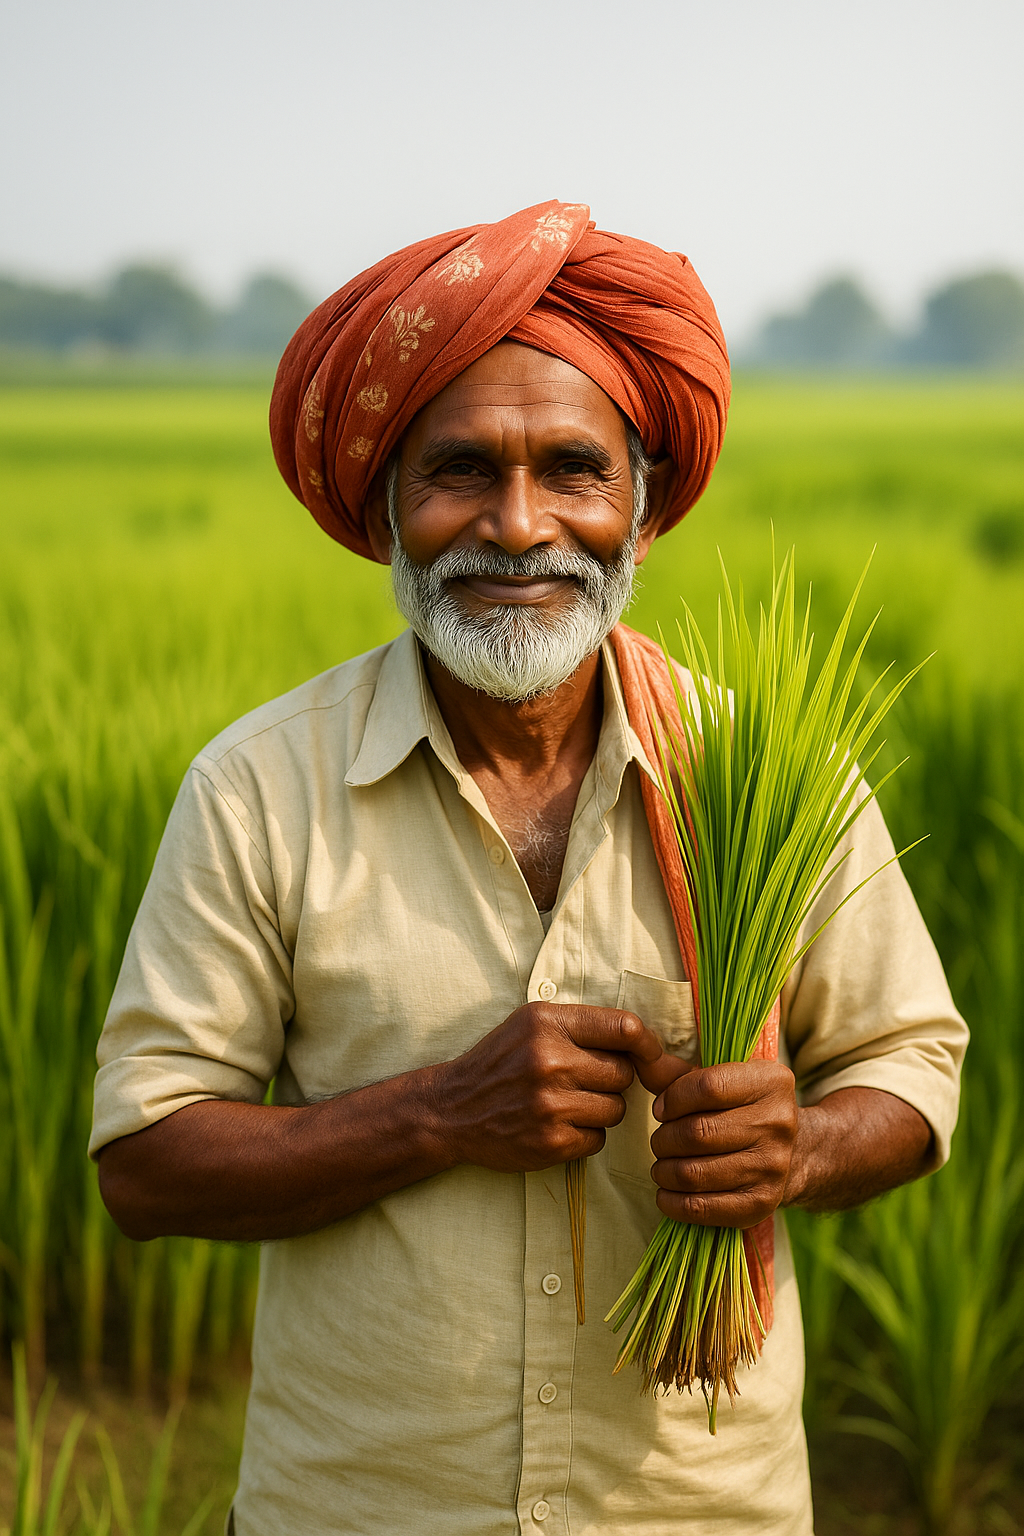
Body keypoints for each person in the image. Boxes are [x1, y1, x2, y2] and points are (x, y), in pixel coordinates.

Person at [91, 201, 967, 1536]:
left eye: (572, 469)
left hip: (696, 1506)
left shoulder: (765, 773)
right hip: (363, 1505)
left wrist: (792, 1148)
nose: (517, 527)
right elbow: (146, 1163)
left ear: (643, 509)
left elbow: (911, 1067)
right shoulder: (262, 789)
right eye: (459, 473)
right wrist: (437, 1112)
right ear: (389, 504)